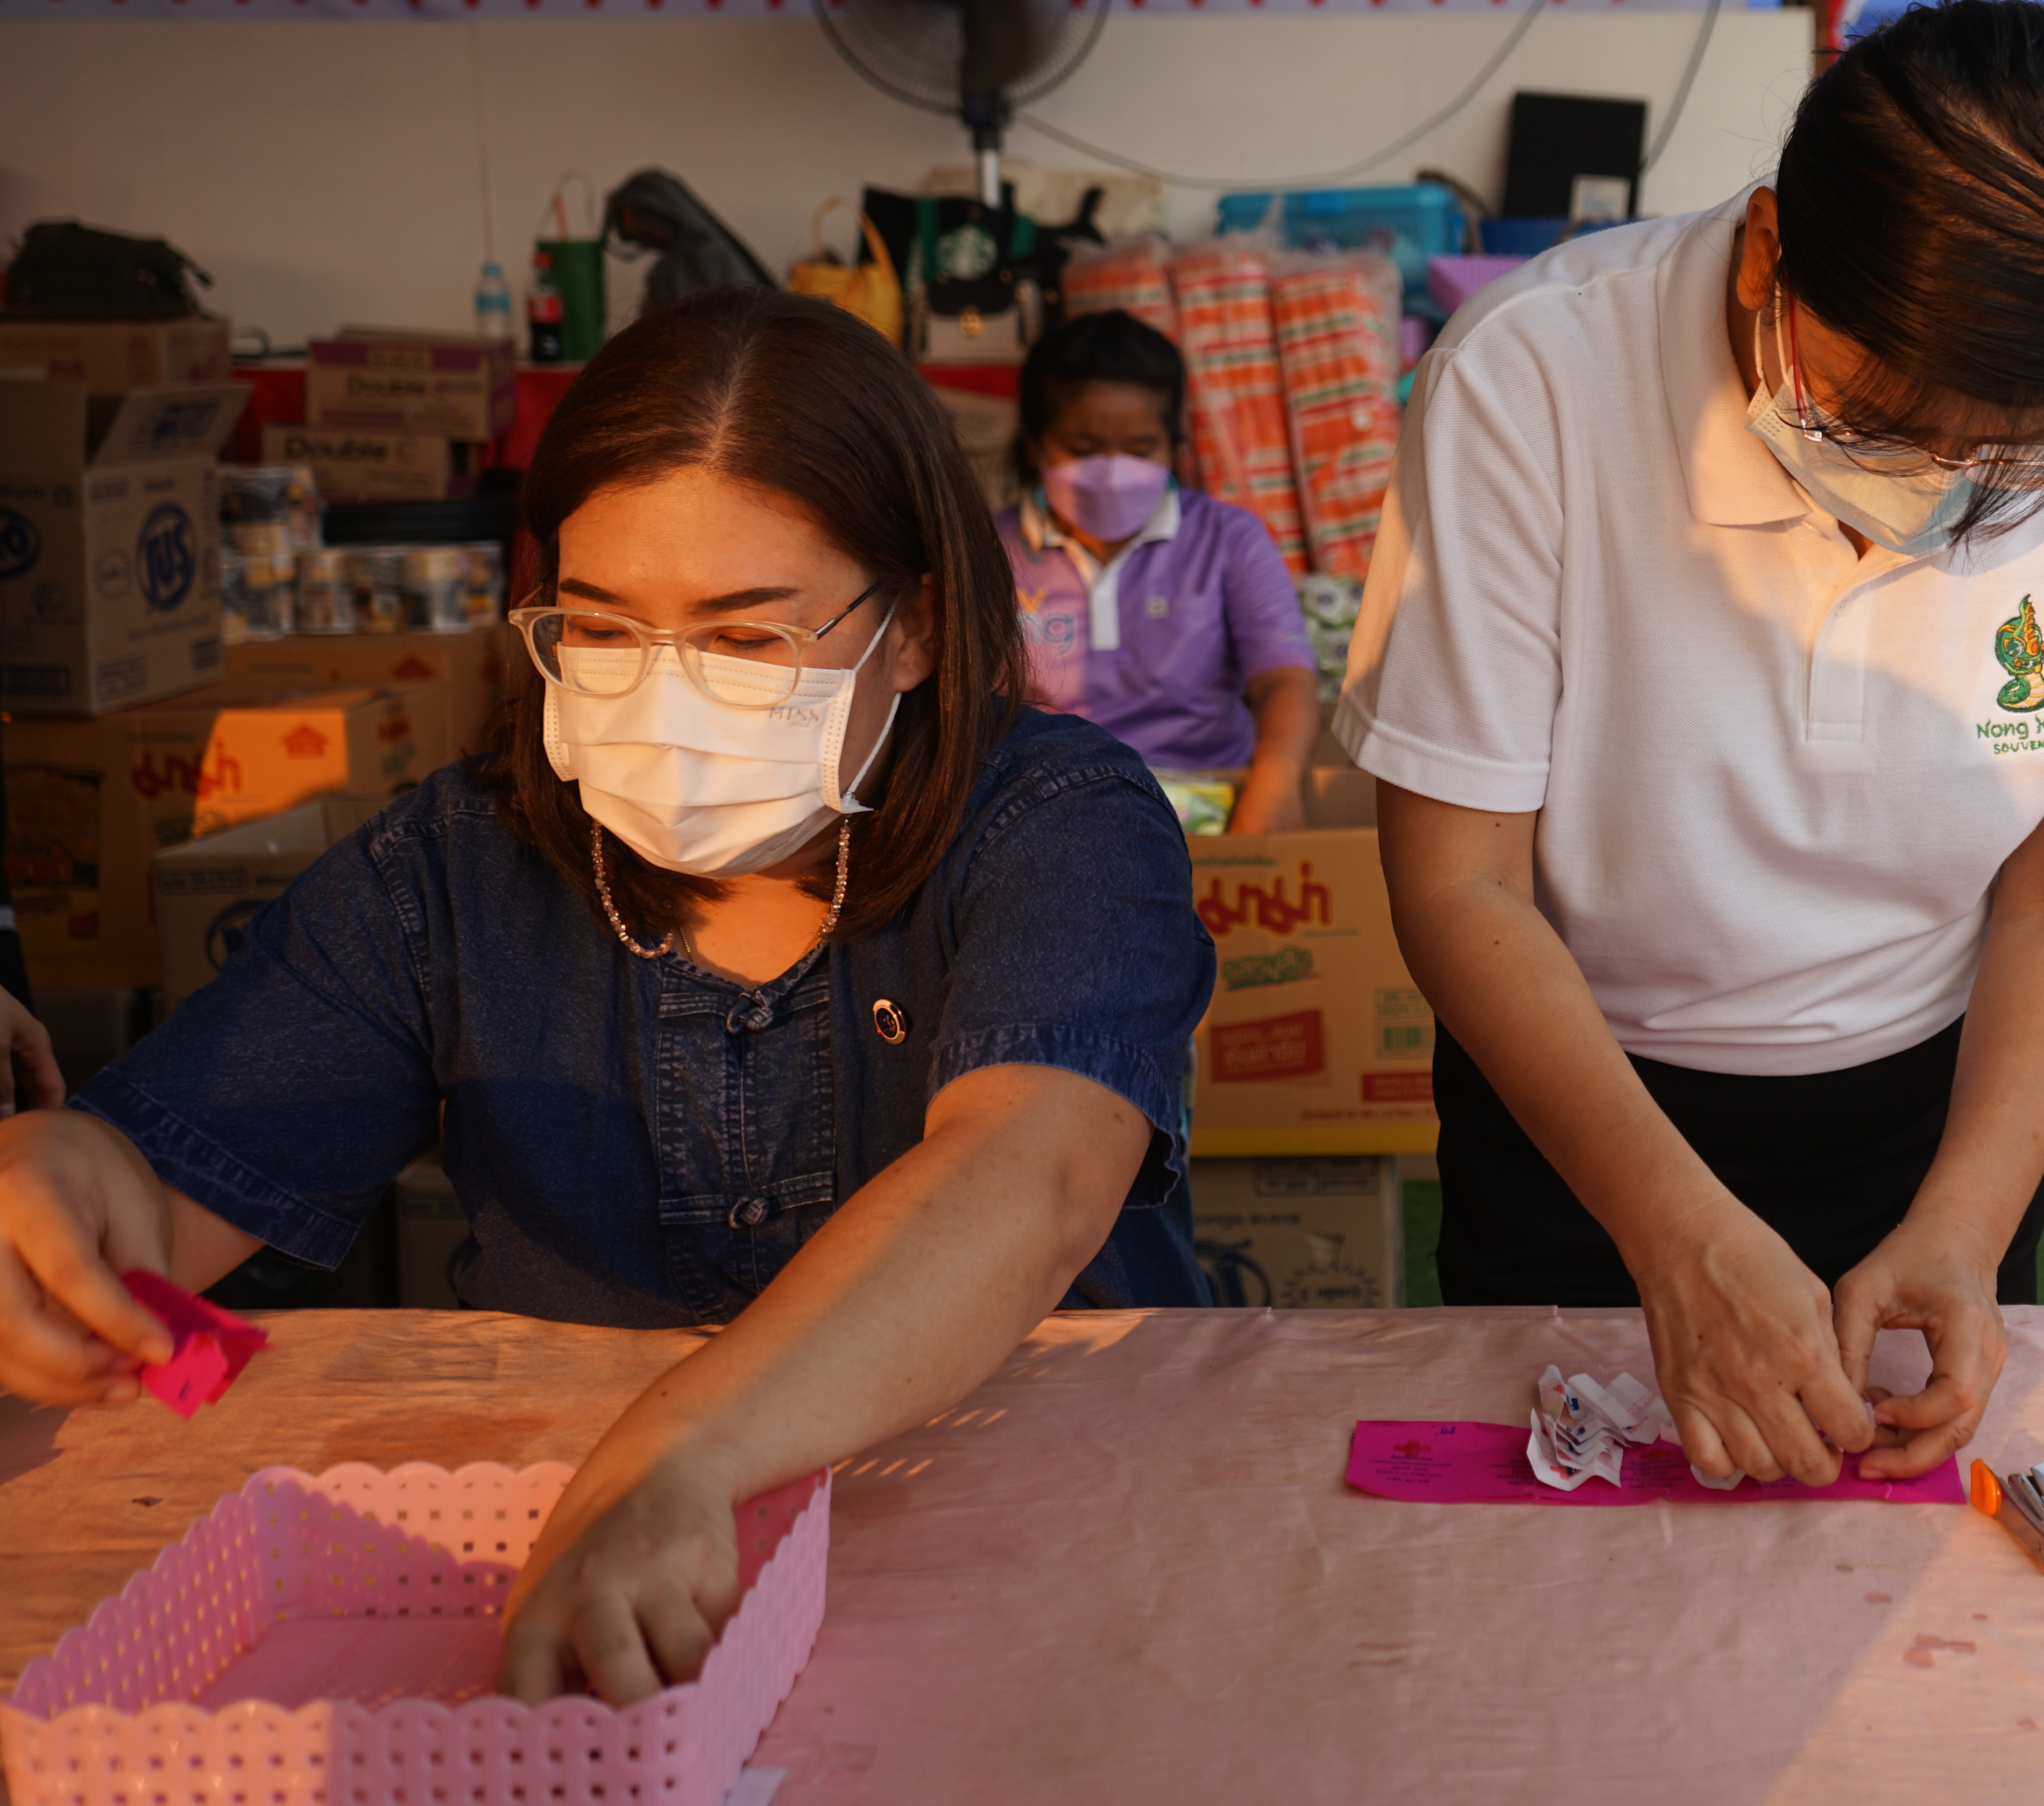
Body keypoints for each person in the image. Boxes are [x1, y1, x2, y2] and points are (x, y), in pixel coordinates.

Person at [0, 290, 1215, 1702]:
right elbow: (160, 1196)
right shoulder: (448, 880)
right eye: (603, 629)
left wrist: (677, 1448)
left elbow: (1030, 1170)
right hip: (596, 1632)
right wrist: (68, 1188)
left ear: (920, 629)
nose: (665, 695)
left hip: (1035, 1566)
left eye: (749, 640)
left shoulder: (1058, 825)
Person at [1345, 0, 2044, 1490]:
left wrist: (1964, 1226)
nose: (1941, 497)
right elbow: (1459, 885)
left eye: (2010, 461)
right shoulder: (1533, 378)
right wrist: (1669, 1231)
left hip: (1938, 1117)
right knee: (1561, 1590)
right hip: (1582, 1111)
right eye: (1880, 427)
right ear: (1765, 260)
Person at [999, 309, 1320, 833]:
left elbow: (1283, 678)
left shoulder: (1229, 539)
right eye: (1083, 450)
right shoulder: (989, 552)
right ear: (1035, 445)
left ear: (1174, 446)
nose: (1111, 470)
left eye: (1140, 449)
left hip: (1212, 804)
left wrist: (1277, 783)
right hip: (1042, 811)